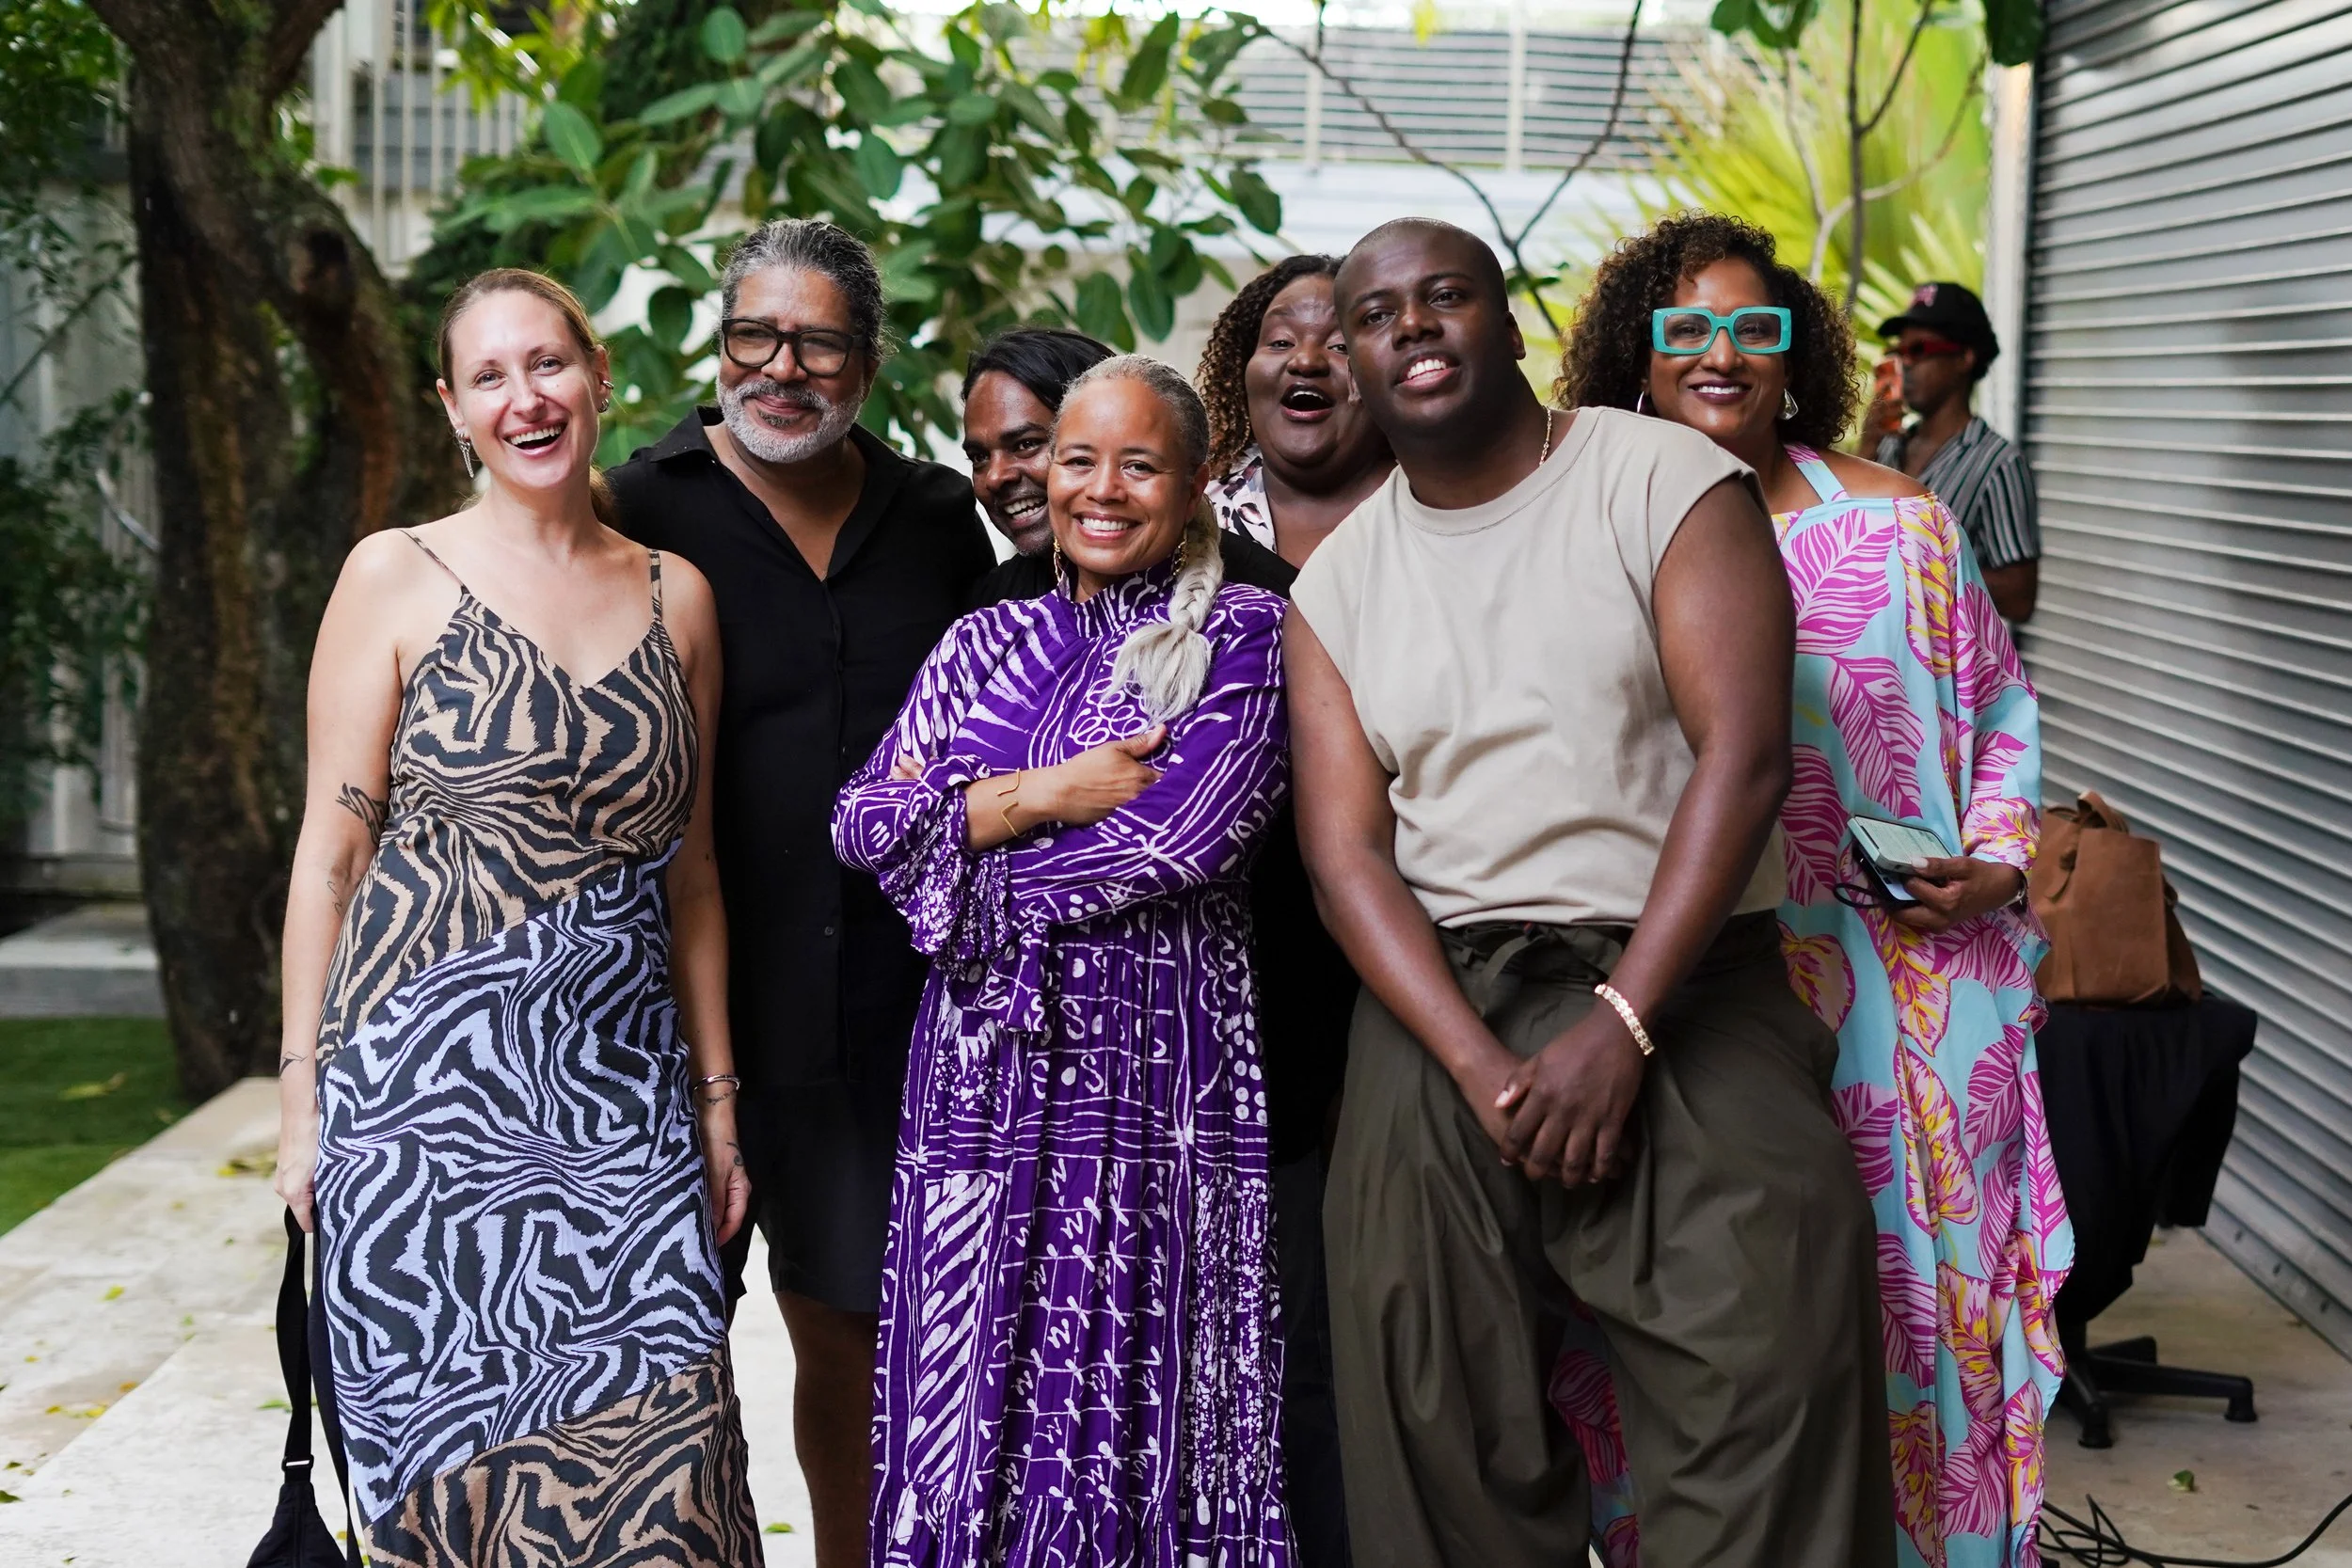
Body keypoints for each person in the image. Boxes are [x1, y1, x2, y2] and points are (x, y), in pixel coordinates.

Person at [1289, 216, 1894, 1568]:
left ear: (1511, 326)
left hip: (1681, 973)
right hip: (1443, 995)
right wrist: (1475, 1062)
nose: (1414, 327)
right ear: (1358, 359)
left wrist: (1619, 1023)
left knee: (1772, 1350)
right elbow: (1346, 857)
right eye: (1378, 315)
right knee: (1421, 1377)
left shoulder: (1662, 478)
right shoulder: (1337, 584)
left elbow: (1743, 760)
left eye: (1447, 296)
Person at [1560, 212, 2073, 1568]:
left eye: (1752, 326)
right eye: (1685, 329)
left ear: (1796, 356)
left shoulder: (1899, 523)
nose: (1720, 352)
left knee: (1927, 1300)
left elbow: (2001, 710)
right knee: (1710, 1314)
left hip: (1914, 984)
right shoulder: (1585, 533)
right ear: (1638, 358)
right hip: (1697, 988)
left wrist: (2003, 858)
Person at [273, 269, 759, 1566]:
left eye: (546, 363)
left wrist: (716, 1104)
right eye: (488, 376)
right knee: (463, 1511)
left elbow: (694, 873)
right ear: (452, 407)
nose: (524, 397)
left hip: (624, 1110)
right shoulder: (395, 572)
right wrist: (302, 1097)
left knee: (678, 1494)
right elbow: (332, 845)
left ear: (597, 375)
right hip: (418, 1121)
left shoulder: (682, 596)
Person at [834, 356, 1291, 1568]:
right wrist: (1042, 794)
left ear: (1194, 485)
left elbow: (1182, 838)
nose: (1100, 490)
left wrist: (959, 854)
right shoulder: (985, 636)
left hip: (1151, 1079)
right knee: (966, 1385)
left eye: (1138, 464)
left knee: (1128, 1389)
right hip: (972, 1087)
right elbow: (861, 818)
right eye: (1076, 459)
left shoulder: (1245, 633)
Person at [606, 219, 994, 1568]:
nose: (782, 367)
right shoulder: (636, 500)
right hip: (675, 1016)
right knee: (653, 1348)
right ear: (718, 348)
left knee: (854, 1330)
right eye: (753, 337)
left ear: (868, 362)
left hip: (888, 1008)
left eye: (818, 340)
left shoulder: (940, 520)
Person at [1197, 253, 1393, 565]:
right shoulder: (1192, 519)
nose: (1305, 360)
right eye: (1280, 342)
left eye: (1341, 346)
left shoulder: (1446, 509)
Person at [1873, 281, 2042, 623]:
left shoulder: (1997, 463)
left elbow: (2020, 597)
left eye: (1919, 350)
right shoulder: (1889, 445)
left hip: (1948, 669)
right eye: (1899, 352)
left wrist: (1925, 564)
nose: (1905, 365)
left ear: (1964, 357)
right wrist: (1866, 444)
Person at [961, 325, 1117, 561]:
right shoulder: (993, 595)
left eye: (1026, 444)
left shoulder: (1187, 591)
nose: (995, 477)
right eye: (979, 457)